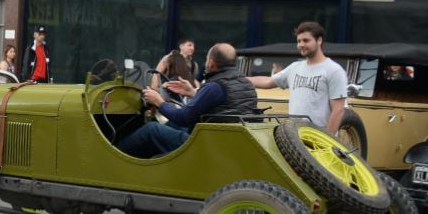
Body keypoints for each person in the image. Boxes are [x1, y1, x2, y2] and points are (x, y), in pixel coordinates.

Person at [118, 43, 257, 158]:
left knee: (151, 129)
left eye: (207, 59)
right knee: (171, 123)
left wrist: (159, 102)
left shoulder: (215, 86)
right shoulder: (245, 83)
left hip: (205, 145)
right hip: (226, 140)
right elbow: (222, 102)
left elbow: (184, 117)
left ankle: (116, 157)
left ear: (212, 63)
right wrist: (192, 92)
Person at [250, 21, 348, 135]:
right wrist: (240, 79)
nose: (301, 44)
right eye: (298, 41)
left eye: (306, 40)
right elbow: (268, 81)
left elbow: (338, 110)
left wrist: (327, 141)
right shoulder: (294, 67)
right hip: (294, 137)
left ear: (319, 40)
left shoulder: (334, 70)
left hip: (318, 139)